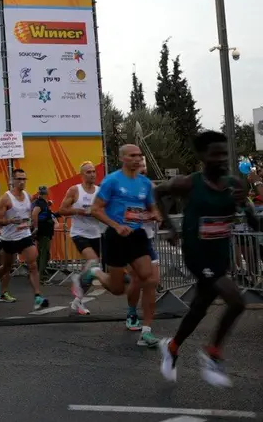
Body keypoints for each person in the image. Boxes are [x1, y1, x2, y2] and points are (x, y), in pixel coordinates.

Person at [157, 130, 259, 386]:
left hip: (220, 256)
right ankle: (212, 355)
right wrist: (168, 225)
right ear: (202, 156)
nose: (222, 159)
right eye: (216, 154)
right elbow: (158, 193)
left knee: (199, 309)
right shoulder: (188, 183)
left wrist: (246, 207)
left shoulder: (234, 185)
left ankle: (172, 347)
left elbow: (253, 223)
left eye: (224, 153)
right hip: (197, 255)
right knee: (236, 301)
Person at [77, 144, 162, 347]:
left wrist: (154, 215)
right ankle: (95, 272)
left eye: (139, 155)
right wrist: (116, 225)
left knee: (150, 279)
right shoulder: (112, 180)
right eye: (132, 155)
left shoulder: (144, 183)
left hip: (137, 235)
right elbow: (96, 209)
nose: (137, 158)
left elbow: (152, 208)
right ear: (123, 158)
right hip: (116, 236)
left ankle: (146, 331)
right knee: (117, 289)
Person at [0, 168, 47, 311]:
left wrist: (30, 225)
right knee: (7, 267)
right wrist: (11, 221)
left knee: (33, 265)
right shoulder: (6, 198)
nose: (22, 182)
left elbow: (28, 215)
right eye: (19, 179)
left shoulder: (28, 196)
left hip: (24, 235)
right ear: (12, 180)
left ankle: (38, 296)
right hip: (9, 238)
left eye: (24, 179)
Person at [60, 162, 102, 315]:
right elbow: (62, 210)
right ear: (82, 175)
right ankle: (77, 280)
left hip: (95, 233)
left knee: (93, 270)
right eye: (88, 172)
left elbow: (104, 210)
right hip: (79, 233)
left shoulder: (99, 191)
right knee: (93, 261)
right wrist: (80, 211)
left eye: (93, 171)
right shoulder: (75, 190)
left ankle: (78, 301)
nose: (92, 174)